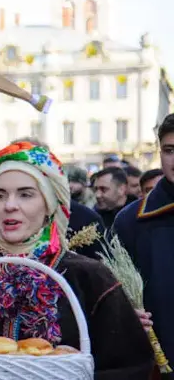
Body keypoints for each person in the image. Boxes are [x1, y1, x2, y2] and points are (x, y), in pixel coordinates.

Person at [0, 141, 154, 379]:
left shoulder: (89, 278)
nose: (10, 206)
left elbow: (130, 365)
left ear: (50, 203)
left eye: (25, 194)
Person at [115, 114, 174, 380]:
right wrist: (126, 312)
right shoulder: (131, 220)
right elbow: (112, 293)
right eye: (170, 150)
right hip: (158, 365)